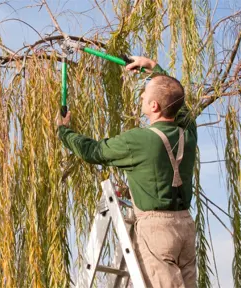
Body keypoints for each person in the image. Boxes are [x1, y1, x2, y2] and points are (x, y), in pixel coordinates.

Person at [57, 56, 197, 288]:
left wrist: (64, 132)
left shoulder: (140, 140)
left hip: (156, 229)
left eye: (145, 93)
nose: (141, 95)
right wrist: (153, 68)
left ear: (154, 106)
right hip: (185, 226)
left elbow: (93, 151)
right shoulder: (188, 134)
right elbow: (178, 103)